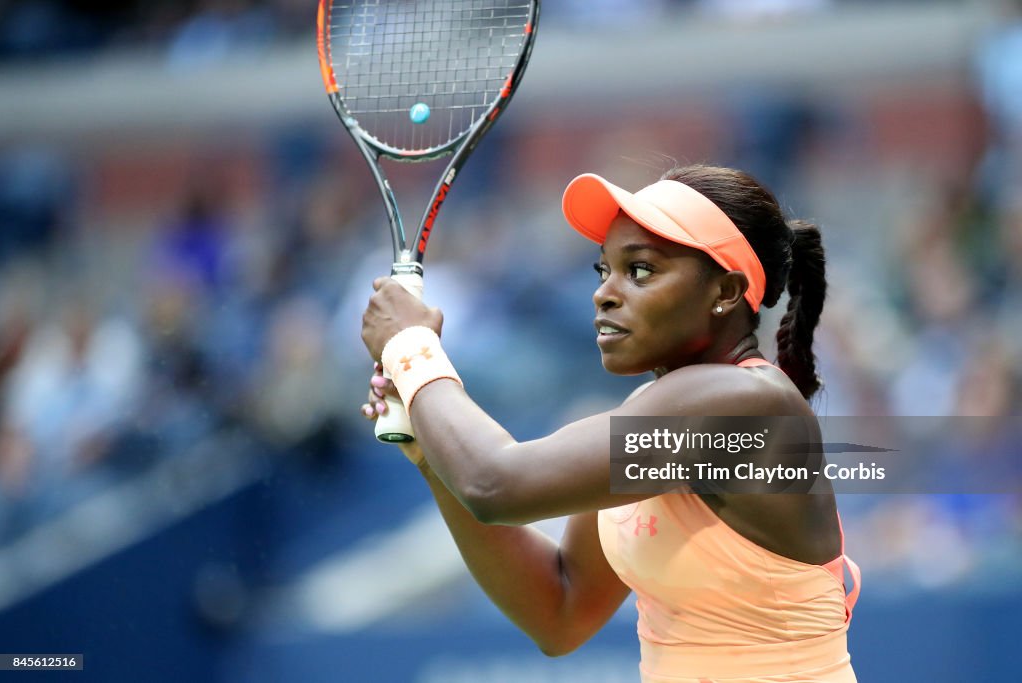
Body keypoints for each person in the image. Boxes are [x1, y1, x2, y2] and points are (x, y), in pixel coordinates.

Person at [359, 164, 860, 683]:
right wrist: (430, 456)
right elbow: (559, 610)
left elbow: (495, 482)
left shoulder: (744, 402)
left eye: (641, 270)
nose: (605, 294)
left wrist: (412, 349)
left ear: (726, 292)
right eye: (605, 271)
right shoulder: (657, 408)